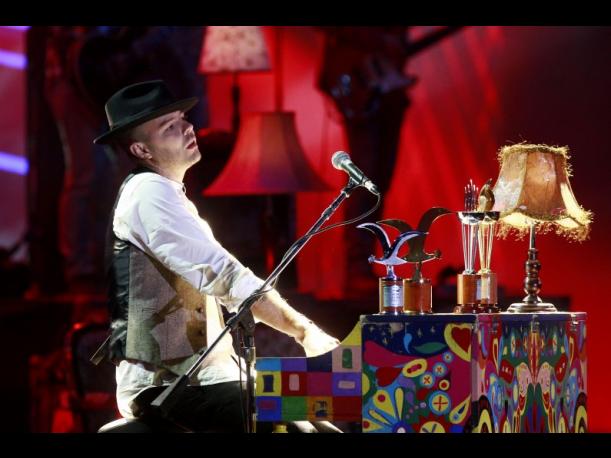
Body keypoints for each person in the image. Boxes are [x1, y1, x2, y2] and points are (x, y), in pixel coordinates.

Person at [93, 80, 340, 432]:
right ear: (142, 149)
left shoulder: (169, 194)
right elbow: (224, 275)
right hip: (169, 386)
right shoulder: (147, 193)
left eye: (183, 118)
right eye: (169, 126)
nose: (187, 128)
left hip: (210, 379)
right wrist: (303, 331)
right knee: (297, 428)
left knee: (324, 423)